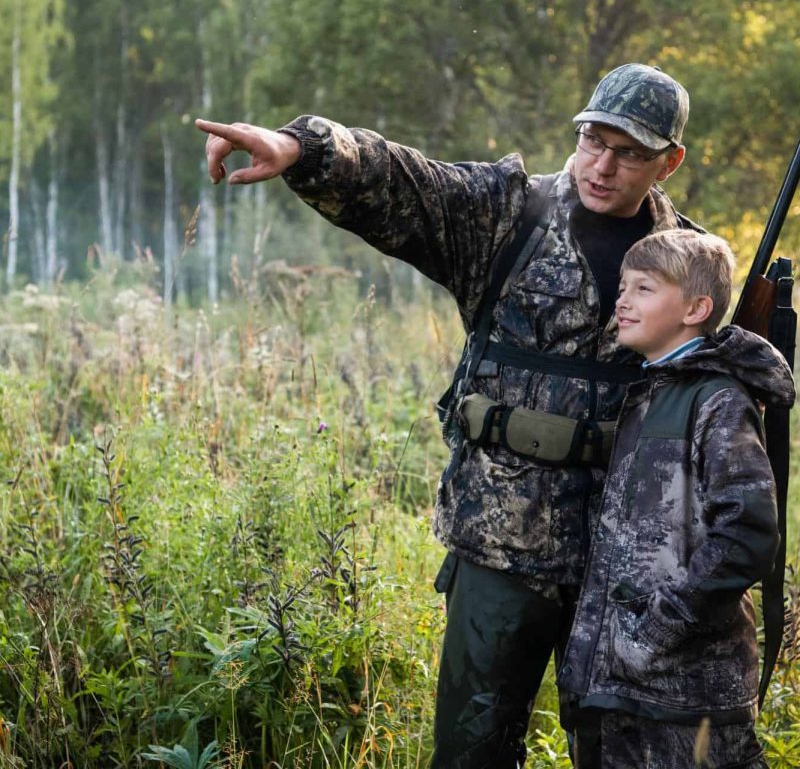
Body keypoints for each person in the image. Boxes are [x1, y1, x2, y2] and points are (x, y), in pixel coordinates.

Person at [197, 63, 697, 767]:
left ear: (669, 161)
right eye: (593, 140)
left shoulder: (689, 267)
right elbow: (403, 180)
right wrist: (301, 149)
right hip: (500, 545)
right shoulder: (508, 215)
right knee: (471, 752)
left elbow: (716, 406)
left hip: (627, 558)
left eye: (630, 152)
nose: (603, 165)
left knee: (623, 752)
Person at [557, 229, 795, 769]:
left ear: (696, 308)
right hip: (624, 686)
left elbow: (746, 535)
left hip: (685, 695)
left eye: (644, 288)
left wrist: (655, 630)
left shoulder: (718, 401)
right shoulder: (648, 391)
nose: (622, 300)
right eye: (623, 286)